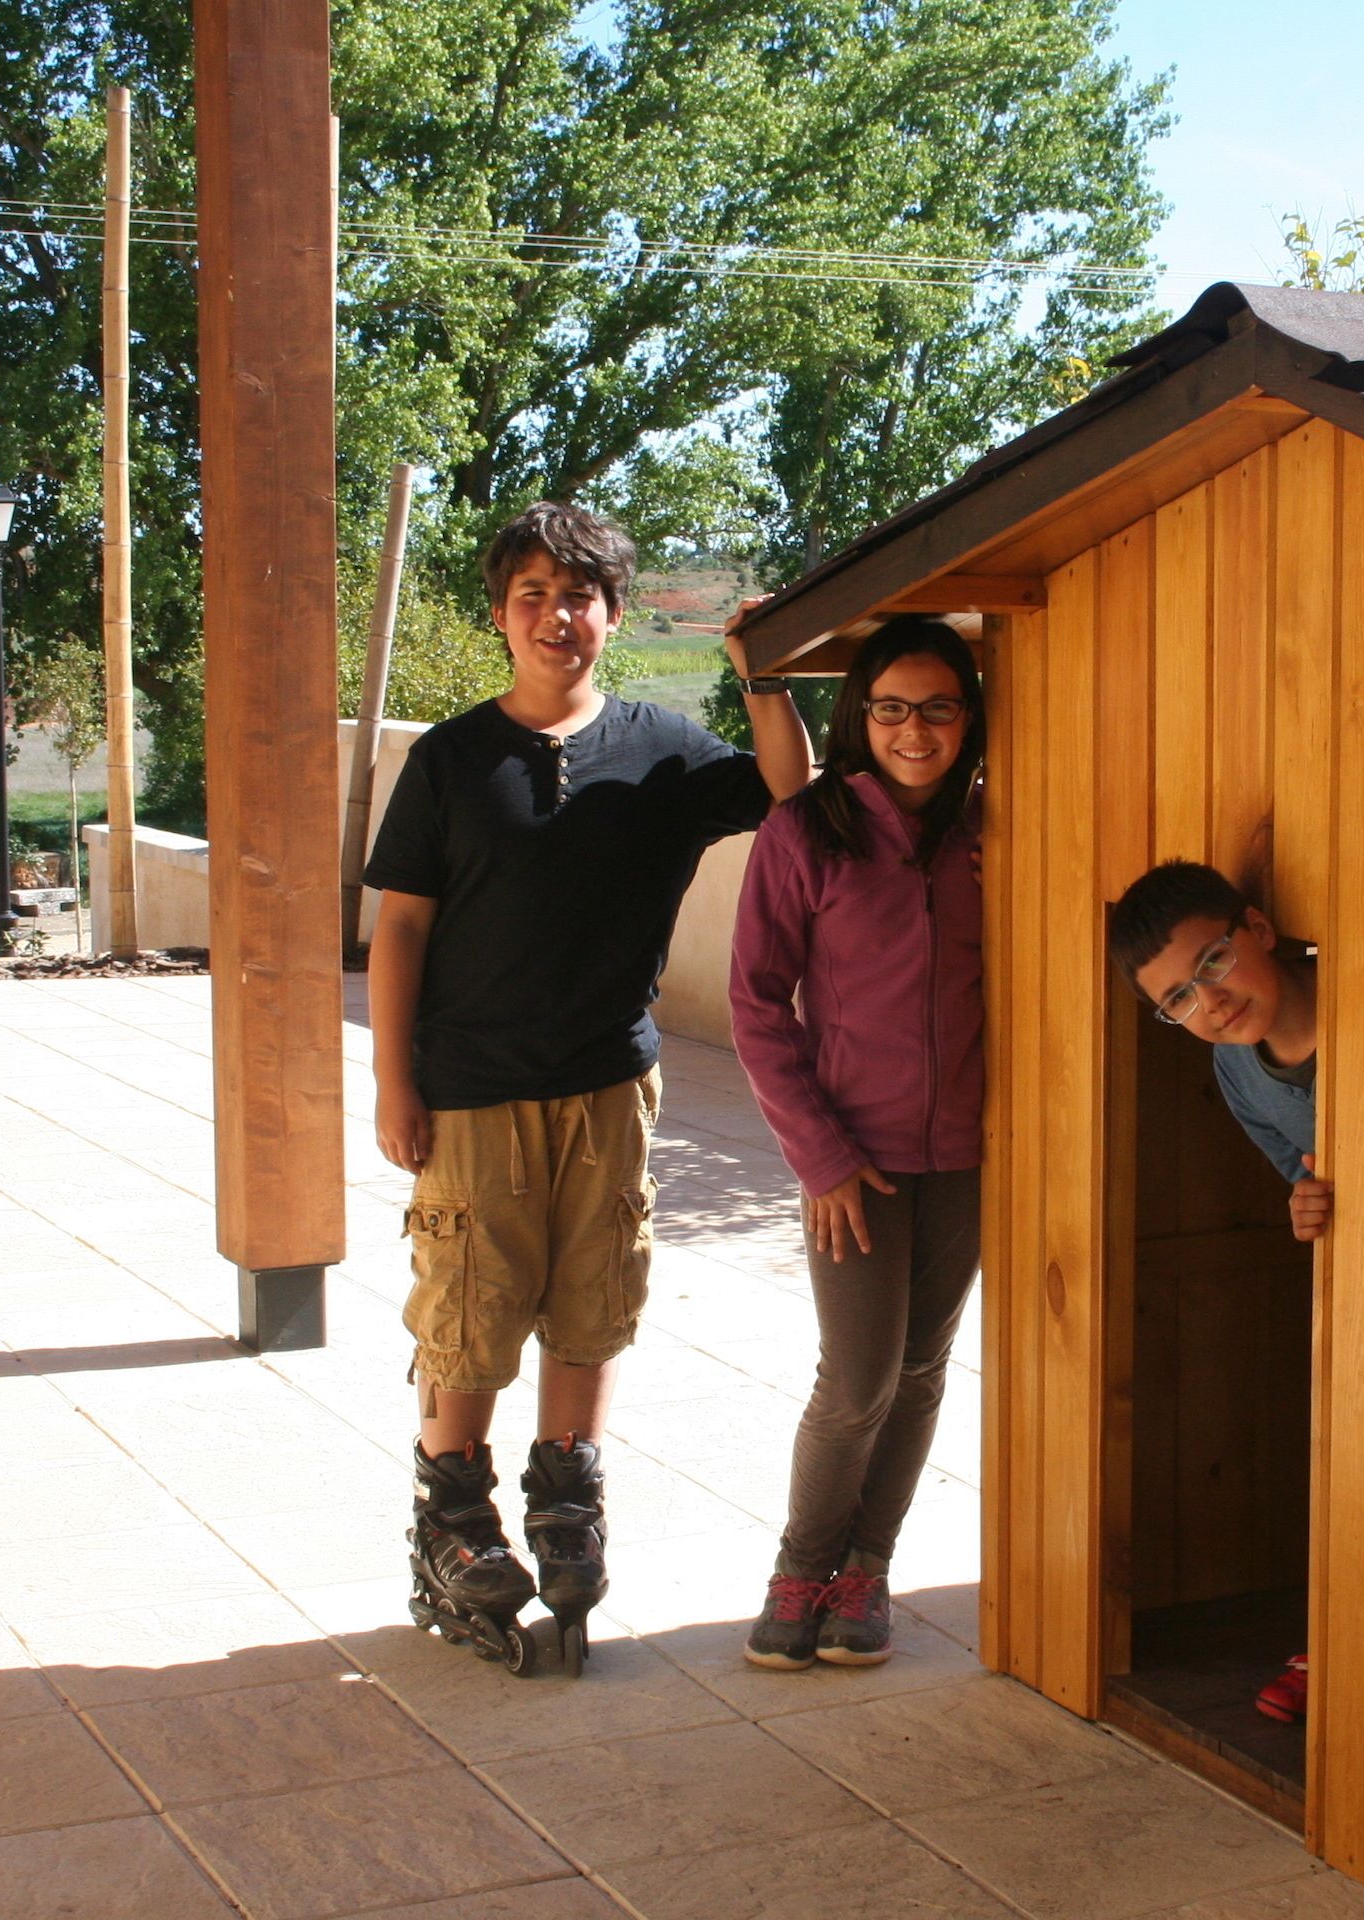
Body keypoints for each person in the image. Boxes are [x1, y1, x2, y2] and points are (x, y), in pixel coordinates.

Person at [362, 501, 812, 1673]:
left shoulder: (666, 752)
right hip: (469, 1089)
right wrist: (391, 1081)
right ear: (502, 615)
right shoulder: (452, 761)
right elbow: (400, 928)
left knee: (594, 1294)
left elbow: (787, 790)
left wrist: (761, 674)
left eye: (579, 596)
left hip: (610, 1085)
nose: (556, 617)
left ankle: (567, 1497)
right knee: (470, 1300)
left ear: (611, 614)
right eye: (532, 597)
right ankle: (452, 1519)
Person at [730, 618, 988, 1670]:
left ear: (970, 718)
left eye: (937, 707)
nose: (913, 730)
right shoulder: (808, 831)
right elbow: (755, 1005)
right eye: (891, 708)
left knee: (922, 1368)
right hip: (856, 1160)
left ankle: (864, 1571)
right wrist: (821, 1158)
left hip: (966, 1155)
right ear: (859, 716)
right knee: (858, 1377)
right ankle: (801, 1568)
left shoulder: (992, 829)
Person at [1104, 858, 1325, 1722]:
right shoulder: (1239, 1070)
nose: (1209, 1002)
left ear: (1259, 931)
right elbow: (1303, 1181)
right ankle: (1336, 1639)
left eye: (1212, 964)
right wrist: (1309, 1207)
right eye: (1178, 1002)